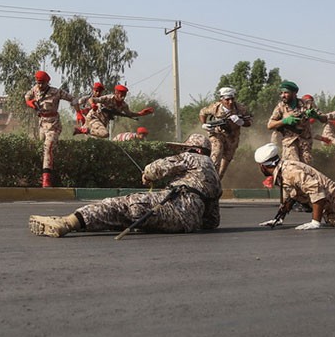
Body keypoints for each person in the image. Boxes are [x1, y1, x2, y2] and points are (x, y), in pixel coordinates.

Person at [29, 134, 221, 238]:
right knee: (125, 217)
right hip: (186, 224)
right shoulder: (214, 175)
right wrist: (190, 218)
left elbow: (156, 169)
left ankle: (67, 223)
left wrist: (147, 175)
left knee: (118, 206)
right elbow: (212, 221)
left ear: (193, 149)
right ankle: (80, 223)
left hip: (174, 205)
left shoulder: (190, 157)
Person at [24, 70, 79, 188]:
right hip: (42, 124)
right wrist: (30, 103)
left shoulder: (56, 92)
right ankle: (43, 173)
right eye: (38, 82)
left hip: (53, 124)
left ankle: (46, 179)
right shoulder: (35, 89)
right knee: (42, 148)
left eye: (42, 83)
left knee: (47, 147)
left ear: (47, 82)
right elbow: (27, 97)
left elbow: (73, 99)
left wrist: (78, 112)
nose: (40, 85)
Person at [199, 86, 252, 180]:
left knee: (224, 165)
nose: (230, 102)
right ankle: (210, 179)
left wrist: (241, 122)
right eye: (227, 99)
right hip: (217, 134)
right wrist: (204, 124)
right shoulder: (215, 107)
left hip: (232, 138)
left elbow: (249, 121)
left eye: (232, 99)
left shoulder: (240, 108)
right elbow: (202, 112)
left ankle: (217, 182)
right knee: (217, 153)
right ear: (221, 100)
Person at [267, 80, 325, 165]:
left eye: (286, 93)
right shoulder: (280, 107)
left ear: (294, 93)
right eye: (281, 93)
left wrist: (316, 115)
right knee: (292, 166)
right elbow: (270, 125)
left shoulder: (307, 104)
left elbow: (324, 119)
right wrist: (285, 121)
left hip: (305, 143)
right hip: (289, 142)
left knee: (306, 168)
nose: (283, 95)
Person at [75, 84, 153, 139]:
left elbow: (130, 114)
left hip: (102, 122)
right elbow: (92, 99)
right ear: (116, 93)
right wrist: (93, 105)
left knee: (96, 139)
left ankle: (83, 130)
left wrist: (141, 113)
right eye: (121, 95)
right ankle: (85, 130)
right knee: (105, 134)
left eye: (124, 95)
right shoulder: (108, 98)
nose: (122, 97)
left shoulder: (124, 105)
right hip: (94, 117)